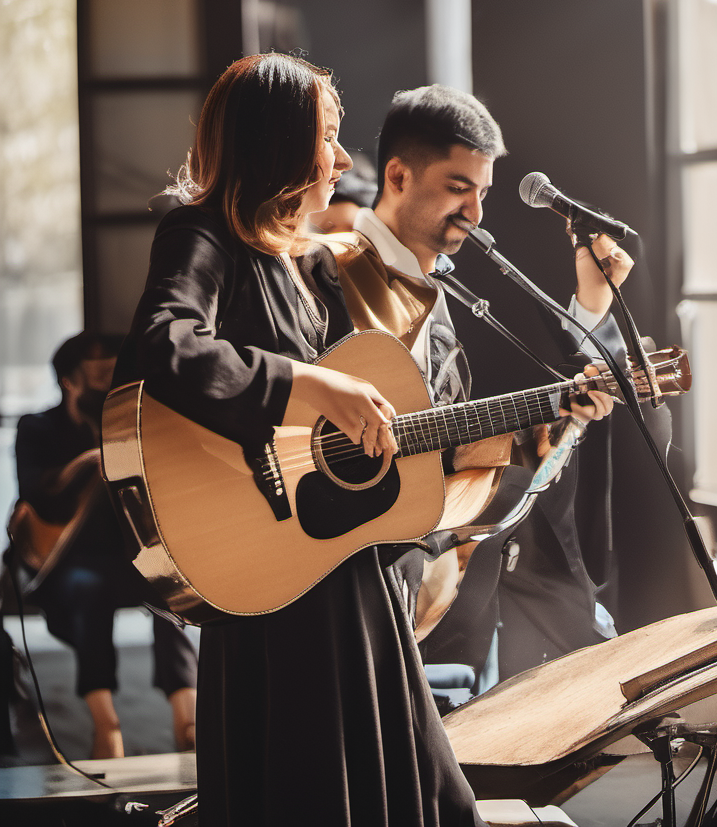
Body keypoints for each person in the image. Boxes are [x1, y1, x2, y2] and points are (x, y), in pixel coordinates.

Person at [111, 54, 484, 826]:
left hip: (342, 558)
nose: (345, 161)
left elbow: (382, 393)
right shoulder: (202, 234)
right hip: (269, 572)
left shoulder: (307, 265)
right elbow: (166, 343)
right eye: (329, 135)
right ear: (281, 144)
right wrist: (310, 384)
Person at [319, 84, 632, 685]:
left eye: (483, 193)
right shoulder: (329, 267)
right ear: (399, 176)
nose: (476, 213)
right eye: (458, 188)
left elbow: (447, 441)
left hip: (428, 560)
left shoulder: (440, 284)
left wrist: (552, 422)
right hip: (344, 564)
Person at [11, 330, 198, 758]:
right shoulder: (37, 427)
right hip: (68, 560)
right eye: (94, 374)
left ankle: (186, 719)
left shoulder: (133, 423)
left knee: (172, 589)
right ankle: (105, 725)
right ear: (68, 380)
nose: (105, 382)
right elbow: (34, 494)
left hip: (129, 555)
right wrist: (88, 462)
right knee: (88, 590)